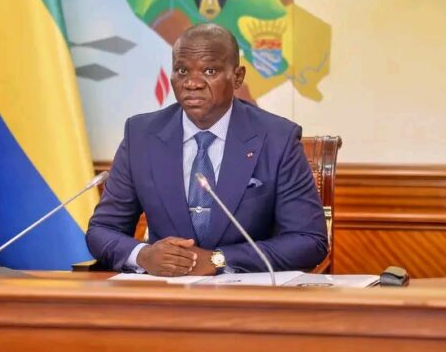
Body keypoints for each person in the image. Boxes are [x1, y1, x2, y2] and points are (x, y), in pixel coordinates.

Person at [86, 23, 327, 276]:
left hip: (247, 291)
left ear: (237, 77)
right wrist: (143, 255)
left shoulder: (277, 139)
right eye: (182, 70)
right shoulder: (141, 136)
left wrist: (218, 259)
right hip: (165, 292)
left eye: (209, 71)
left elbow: (309, 240)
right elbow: (102, 230)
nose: (192, 83)